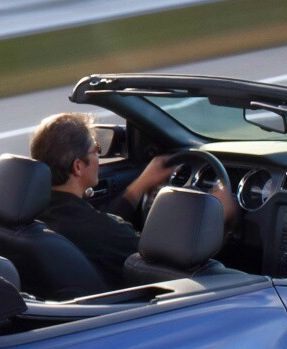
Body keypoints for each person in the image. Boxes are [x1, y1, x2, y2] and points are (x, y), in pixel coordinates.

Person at [28, 111, 235, 277]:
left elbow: (103, 224)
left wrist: (142, 184)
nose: (99, 156)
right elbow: (170, 265)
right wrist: (216, 218)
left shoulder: (35, 213)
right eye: (96, 149)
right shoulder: (103, 233)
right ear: (78, 167)